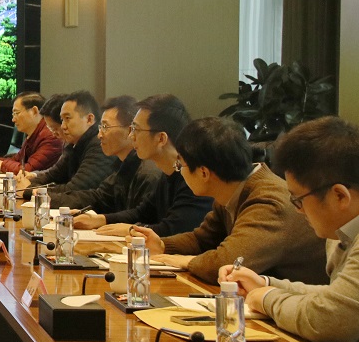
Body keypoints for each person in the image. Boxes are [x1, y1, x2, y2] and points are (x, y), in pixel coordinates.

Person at [131, 117, 327, 285]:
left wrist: (186, 262)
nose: (179, 171)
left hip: (294, 305)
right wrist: (162, 245)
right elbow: (202, 240)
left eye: (180, 164)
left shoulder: (268, 201)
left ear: (204, 173)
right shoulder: (231, 190)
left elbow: (228, 263)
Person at [222, 116, 359, 342]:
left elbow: (329, 318)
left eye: (298, 199)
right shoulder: (340, 234)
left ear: (339, 196)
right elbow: (336, 296)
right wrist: (265, 284)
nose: (298, 210)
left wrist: (267, 299)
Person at [96, 94, 213, 237]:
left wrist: (131, 230)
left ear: (161, 138)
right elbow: (142, 213)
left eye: (136, 130)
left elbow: (175, 229)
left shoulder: (192, 175)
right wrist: (101, 219)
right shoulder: (167, 173)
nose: (131, 136)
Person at [51, 96, 164, 229]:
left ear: (129, 130)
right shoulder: (124, 165)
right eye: (100, 127)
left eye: (105, 127)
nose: (99, 135)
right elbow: (99, 197)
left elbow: (142, 219)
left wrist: (102, 220)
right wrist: (44, 197)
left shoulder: (149, 173)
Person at [19, 90, 119, 195]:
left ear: (89, 119)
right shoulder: (74, 145)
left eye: (67, 118)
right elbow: (52, 175)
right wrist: (27, 183)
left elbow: (74, 189)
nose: (63, 126)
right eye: (62, 120)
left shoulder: (99, 145)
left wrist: (29, 190)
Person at [0, 92, 62, 174]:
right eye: (13, 114)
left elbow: (28, 170)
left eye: (16, 113)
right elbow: (15, 161)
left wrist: (2, 164)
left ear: (34, 111)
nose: (13, 119)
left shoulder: (50, 136)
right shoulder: (34, 134)